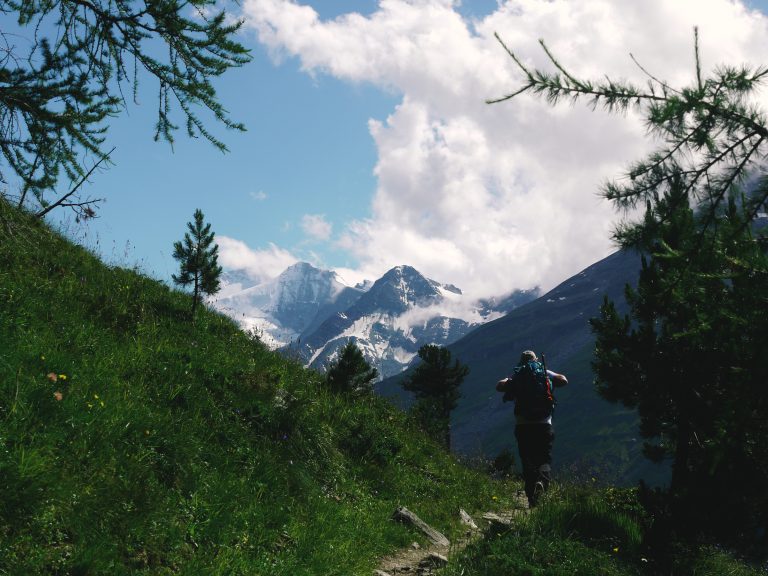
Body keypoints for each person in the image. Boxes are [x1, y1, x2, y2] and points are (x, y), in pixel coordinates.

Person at [496, 350, 568, 507]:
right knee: (544, 457)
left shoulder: (518, 375)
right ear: (536, 360)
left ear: (521, 361)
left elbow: (499, 386)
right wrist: (549, 379)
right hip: (544, 425)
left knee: (527, 459)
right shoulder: (543, 372)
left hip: (523, 426)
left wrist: (511, 381)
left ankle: (531, 499)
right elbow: (564, 380)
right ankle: (542, 481)